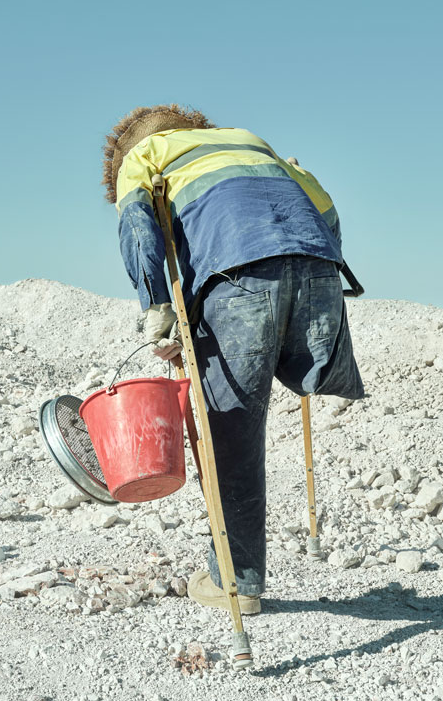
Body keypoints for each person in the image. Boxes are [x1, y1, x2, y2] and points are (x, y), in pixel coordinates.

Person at [102, 104, 364, 614]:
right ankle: (250, 566)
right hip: (320, 268)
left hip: (239, 278)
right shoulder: (251, 141)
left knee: (231, 431)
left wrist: (156, 308)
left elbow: (139, 230)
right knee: (258, 398)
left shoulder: (145, 155)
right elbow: (327, 210)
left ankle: (237, 585)